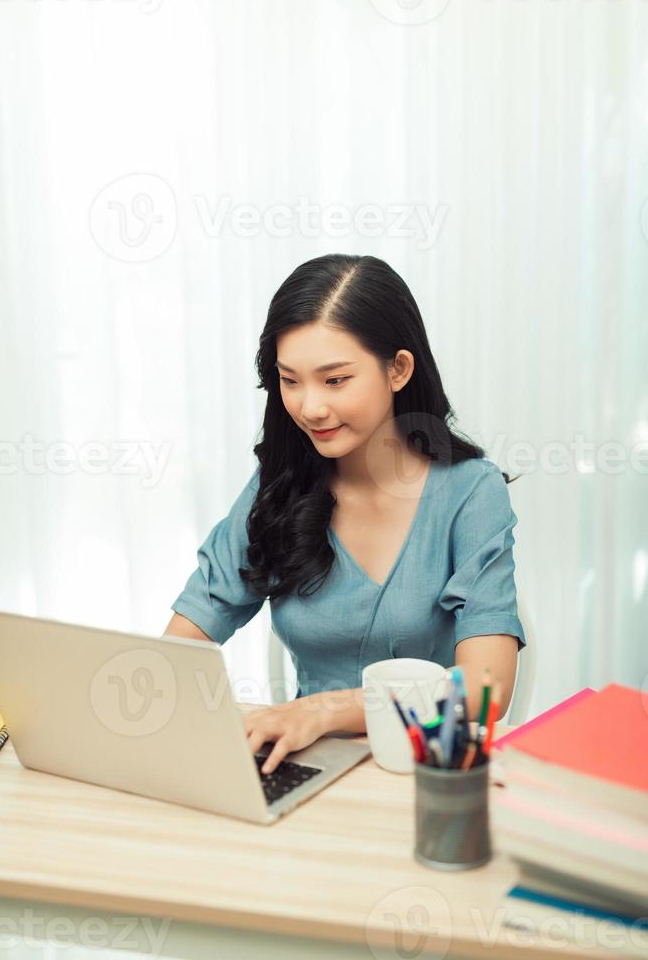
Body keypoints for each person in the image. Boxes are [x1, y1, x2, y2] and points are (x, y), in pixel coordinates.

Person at [163, 253, 526, 774]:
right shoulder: (278, 487)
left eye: (335, 380)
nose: (310, 407)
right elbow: (183, 641)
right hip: (303, 768)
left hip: (425, 774)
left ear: (398, 369)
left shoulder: (470, 493)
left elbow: (485, 690)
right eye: (290, 380)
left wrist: (323, 709)